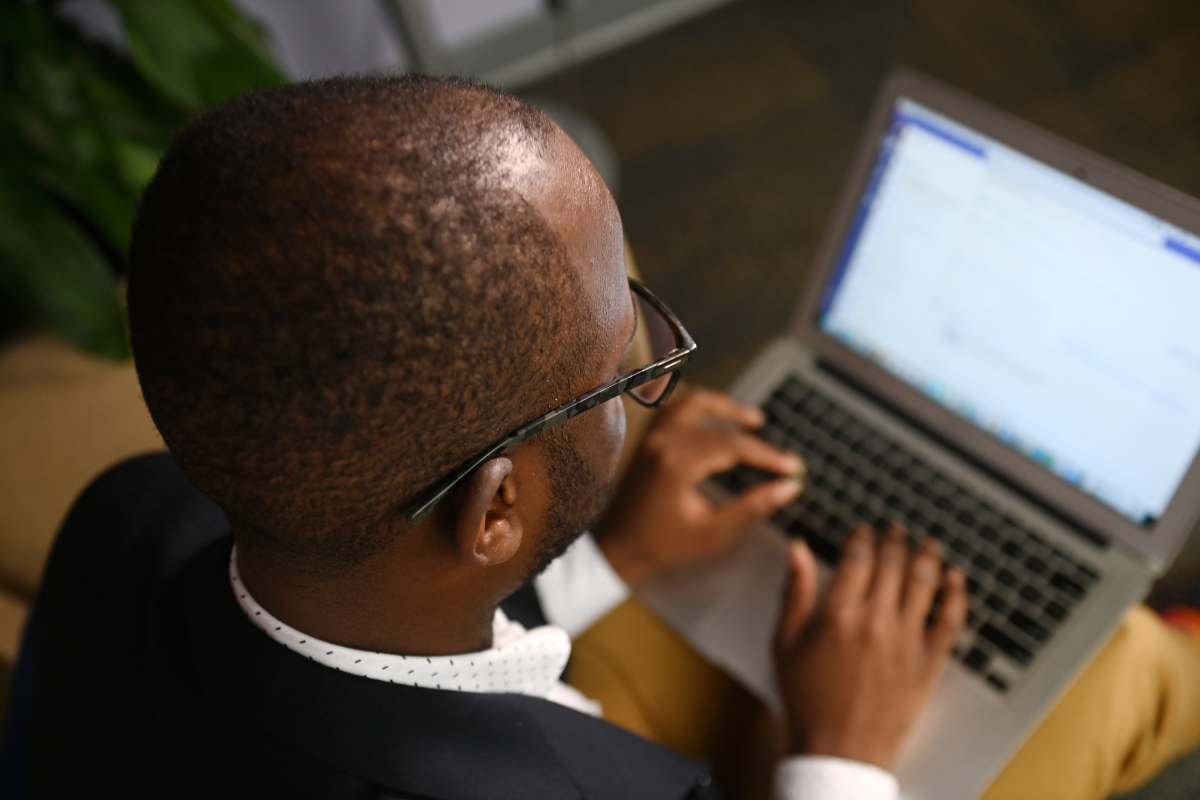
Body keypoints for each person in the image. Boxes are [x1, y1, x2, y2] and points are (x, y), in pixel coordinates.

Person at [15, 75, 1200, 800]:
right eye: (625, 370)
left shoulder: (130, 508)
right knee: (1123, 671)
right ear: (493, 512)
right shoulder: (612, 790)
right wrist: (839, 749)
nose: (653, 385)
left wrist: (604, 559)